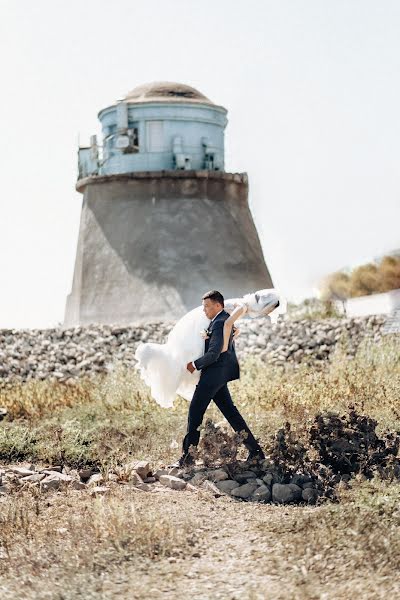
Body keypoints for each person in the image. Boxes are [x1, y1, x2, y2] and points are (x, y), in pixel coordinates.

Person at [171, 290, 267, 468]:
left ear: (218, 305)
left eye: (207, 306)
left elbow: (214, 353)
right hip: (220, 374)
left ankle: (187, 459)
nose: (204, 310)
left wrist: (194, 364)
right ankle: (256, 453)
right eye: (203, 307)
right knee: (231, 413)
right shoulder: (221, 320)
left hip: (214, 373)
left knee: (195, 412)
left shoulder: (219, 322)